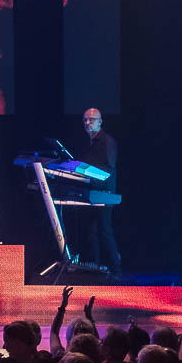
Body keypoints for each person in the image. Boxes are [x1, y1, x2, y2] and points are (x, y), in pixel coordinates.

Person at [78, 107, 121, 277]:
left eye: (91, 119)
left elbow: (108, 168)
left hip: (104, 193)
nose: (87, 123)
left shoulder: (107, 142)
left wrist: (88, 176)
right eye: (85, 120)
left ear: (100, 122)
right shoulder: (89, 142)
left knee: (104, 230)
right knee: (91, 231)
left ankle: (116, 270)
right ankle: (94, 270)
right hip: (92, 192)